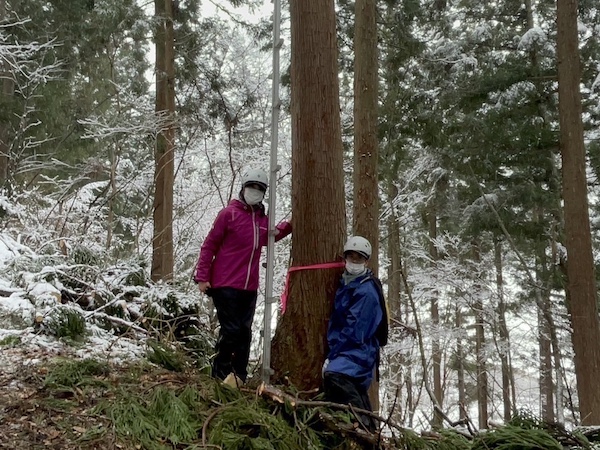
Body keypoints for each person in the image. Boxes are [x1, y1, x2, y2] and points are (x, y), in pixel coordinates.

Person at [194, 168, 292, 384]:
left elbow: (272, 235)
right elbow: (209, 245)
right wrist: (202, 277)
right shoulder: (228, 214)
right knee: (231, 330)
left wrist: (291, 224)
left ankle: (239, 376)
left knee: (244, 332)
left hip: (248, 287)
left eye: (260, 189)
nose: (255, 192)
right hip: (225, 283)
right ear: (243, 188)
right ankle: (220, 374)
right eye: (252, 187)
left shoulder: (261, 221)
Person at [322, 235, 385, 431]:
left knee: (335, 375)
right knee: (353, 389)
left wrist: (332, 356)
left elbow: (354, 331)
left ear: (366, 261)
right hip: (349, 348)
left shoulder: (366, 291)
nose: (354, 262)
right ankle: (369, 430)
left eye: (359, 258)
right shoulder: (348, 283)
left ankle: (363, 428)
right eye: (351, 257)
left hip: (359, 350)